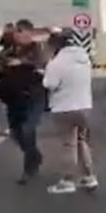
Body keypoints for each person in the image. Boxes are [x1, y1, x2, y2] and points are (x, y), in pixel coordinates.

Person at [0, 19, 48, 183]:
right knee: (15, 133)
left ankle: (29, 169)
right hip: (14, 97)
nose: (16, 34)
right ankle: (34, 155)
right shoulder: (9, 50)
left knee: (28, 128)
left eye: (20, 30)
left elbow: (43, 65)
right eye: (16, 31)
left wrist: (22, 63)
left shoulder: (38, 49)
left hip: (34, 96)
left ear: (29, 32)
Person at [42, 29, 97, 194]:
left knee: (68, 144)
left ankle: (67, 181)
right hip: (85, 106)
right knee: (82, 141)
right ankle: (89, 177)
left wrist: (46, 68)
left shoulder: (57, 62)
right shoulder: (84, 58)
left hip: (64, 107)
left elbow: (49, 84)